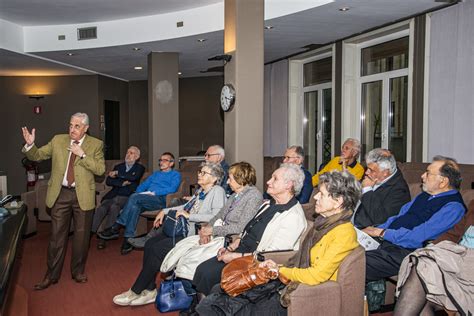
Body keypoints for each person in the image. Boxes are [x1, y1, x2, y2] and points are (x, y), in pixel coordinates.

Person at [196, 170, 362, 315]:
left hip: (308, 291)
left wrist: (278, 269)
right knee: (222, 291)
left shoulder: (343, 233)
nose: (316, 196)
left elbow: (316, 275)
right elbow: (297, 258)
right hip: (291, 280)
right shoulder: (322, 224)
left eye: (322, 194)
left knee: (233, 304)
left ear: (338, 201)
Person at [112, 162, 227, 306]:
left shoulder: (217, 191)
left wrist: (188, 216)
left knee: (157, 249)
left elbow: (215, 215)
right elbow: (184, 207)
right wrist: (164, 211)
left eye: (204, 173)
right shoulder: (200, 191)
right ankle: (150, 290)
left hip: (196, 235)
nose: (199, 174)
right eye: (200, 171)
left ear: (215, 178)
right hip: (184, 230)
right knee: (150, 244)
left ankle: (135, 290)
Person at [192, 163, 308, 296]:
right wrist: (230, 248)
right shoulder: (269, 204)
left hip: (254, 263)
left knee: (207, 274)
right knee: (202, 269)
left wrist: (235, 256)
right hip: (241, 250)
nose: (268, 181)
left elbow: (272, 255)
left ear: (289, 185)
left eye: (274, 179)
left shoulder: (293, 217)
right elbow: (247, 229)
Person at [21, 112, 105, 289]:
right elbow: (38, 155)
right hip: (61, 194)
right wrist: (30, 145)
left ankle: (78, 271)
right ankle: (51, 275)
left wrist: (82, 155)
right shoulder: (58, 140)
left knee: (81, 238)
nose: (72, 129)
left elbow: (100, 170)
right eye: (70, 125)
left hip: (83, 196)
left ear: (86, 128)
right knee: (56, 237)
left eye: (77, 126)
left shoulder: (96, 144)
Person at [363, 156, 467, 282]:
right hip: (387, 241)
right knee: (345, 248)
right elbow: (398, 217)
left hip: (408, 251)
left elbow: (418, 236)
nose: (422, 176)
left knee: (356, 262)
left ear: (443, 181)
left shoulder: (453, 207)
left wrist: (382, 233)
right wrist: (376, 229)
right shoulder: (424, 196)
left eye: (428, 173)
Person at [160, 161, 263, 281]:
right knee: (182, 249)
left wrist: (211, 231)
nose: (228, 182)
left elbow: (241, 227)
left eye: (230, 179)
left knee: (190, 259)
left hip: (231, 239)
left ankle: (187, 291)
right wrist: (205, 229)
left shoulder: (253, 196)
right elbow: (218, 215)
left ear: (241, 179)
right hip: (219, 234)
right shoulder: (236, 194)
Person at [98, 152, 181, 254]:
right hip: (146, 199)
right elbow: (143, 185)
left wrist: (154, 193)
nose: (161, 162)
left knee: (134, 200)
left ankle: (117, 225)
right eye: (160, 160)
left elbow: (172, 189)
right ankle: (128, 239)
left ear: (171, 163)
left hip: (161, 200)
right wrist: (138, 193)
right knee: (134, 206)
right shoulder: (155, 174)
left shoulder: (175, 174)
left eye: (165, 160)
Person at [92, 146, 145, 249]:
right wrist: (122, 183)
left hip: (127, 196)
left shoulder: (139, 168)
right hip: (113, 195)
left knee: (114, 205)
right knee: (103, 208)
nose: (128, 154)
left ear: (137, 157)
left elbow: (133, 177)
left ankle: (104, 238)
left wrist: (117, 174)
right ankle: (90, 232)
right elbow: (109, 181)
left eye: (131, 153)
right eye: (127, 152)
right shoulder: (118, 166)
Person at [353, 148, 410, 228]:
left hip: (366, 230)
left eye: (371, 170)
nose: (366, 172)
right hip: (350, 220)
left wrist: (367, 189)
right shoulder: (375, 176)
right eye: (367, 168)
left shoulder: (399, 191)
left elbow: (381, 220)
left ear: (385, 173)